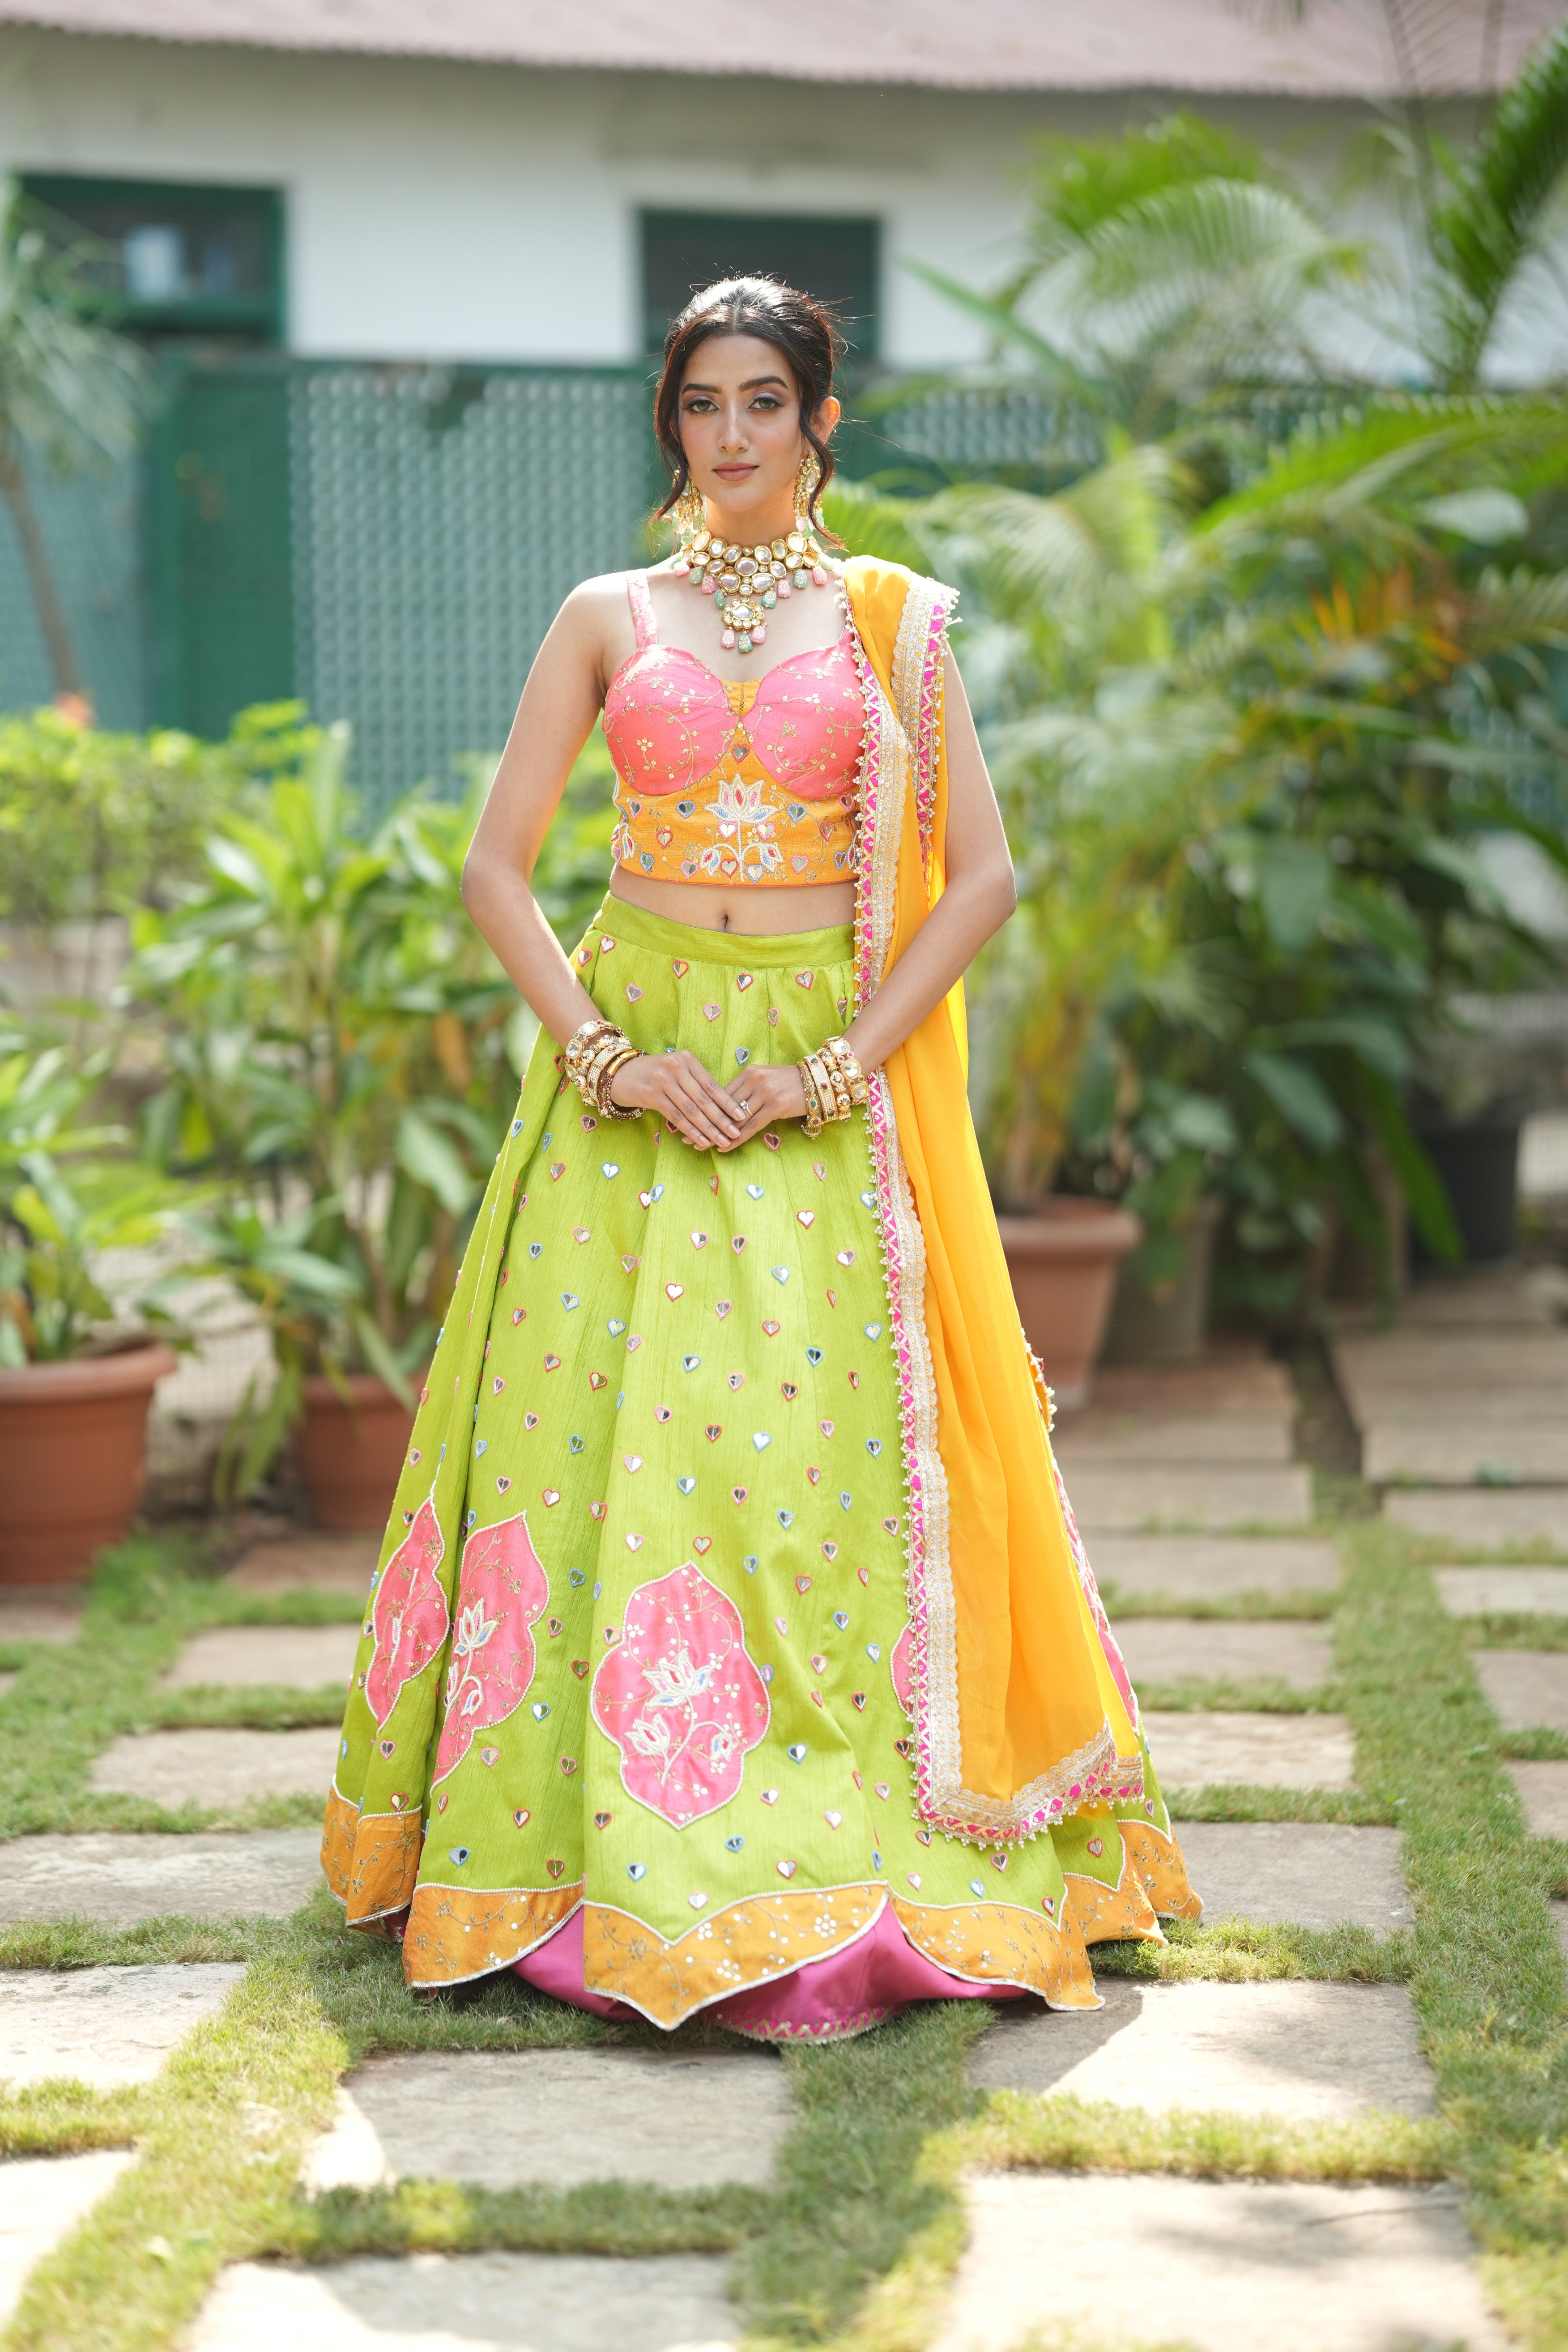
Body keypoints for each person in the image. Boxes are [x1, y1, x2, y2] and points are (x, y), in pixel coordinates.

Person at [323, 276, 1198, 2040]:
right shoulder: (605, 612)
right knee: (586, 1457)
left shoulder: (890, 628)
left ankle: (822, 1834)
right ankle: (563, 1846)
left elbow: (987, 881)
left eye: (763, 404)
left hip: (821, 1086)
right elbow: (502, 866)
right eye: (703, 405)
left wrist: (832, 1070)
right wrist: (609, 1055)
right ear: (675, 423)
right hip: (629, 1077)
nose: (731, 436)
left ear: (819, 423)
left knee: (796, 1475)